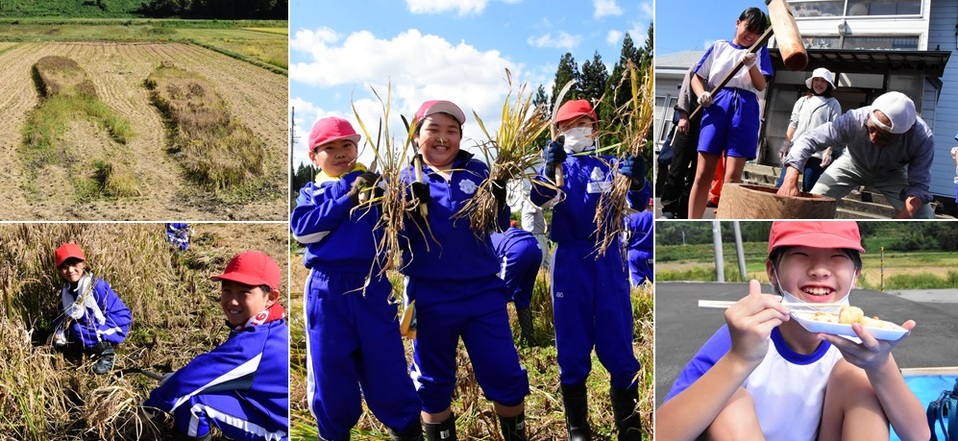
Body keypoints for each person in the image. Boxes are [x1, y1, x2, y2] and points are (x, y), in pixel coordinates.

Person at [657, 221, 929, 440]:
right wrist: (740, 359)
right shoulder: (744, 335)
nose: (820, 270)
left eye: (837, 257)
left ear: (856, 275)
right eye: (801, 255)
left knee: (857, 376)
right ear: (772, 272)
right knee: (730, 401)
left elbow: (918, 435)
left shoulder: (860, 344)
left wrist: (880, 366)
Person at [400, 100, 528, 441]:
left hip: (482, 294)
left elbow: (498, 224)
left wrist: (499, 198)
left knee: (505, 373)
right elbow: (390, 240)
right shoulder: (402, 180)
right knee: (431, 381)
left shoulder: (477, 171)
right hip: (426, 298)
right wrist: (403, 210)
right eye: (434, 130)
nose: (443, 138)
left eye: (452, 131)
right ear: (415, 136)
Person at [290, 117, 422, 440]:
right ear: (313, 156)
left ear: (358, 147)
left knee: (388, 365)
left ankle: (406, 427)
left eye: (347, 145)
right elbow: (305, 231)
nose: (340, 153)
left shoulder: (378, 187)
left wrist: (410, 206)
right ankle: (334, 431)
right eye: (329, 148)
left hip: (372, 286)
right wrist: (347, 198)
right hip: (327, 290)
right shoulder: (313, 192)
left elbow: (400, 236)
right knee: (330, 370)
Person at [530, 99, 649, 440]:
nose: (574, 131)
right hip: (570, 259)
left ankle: (629, 424)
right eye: (566, 126)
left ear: (595, 129)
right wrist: (546, 168)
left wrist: (638, 181)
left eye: (581, 124)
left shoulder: (611, 163)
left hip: (609, 257)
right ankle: (578, 426)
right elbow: (538, 198)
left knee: (617, 334)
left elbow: (638, 202)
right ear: (558, 133)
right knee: (571, 337)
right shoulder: (558, 167)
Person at [143, 251, 289, 441]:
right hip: (267, 411)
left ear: (271, 297)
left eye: (244, 292)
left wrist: (153, 405)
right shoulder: (268, 325)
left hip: (279, 431)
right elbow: (208, 372)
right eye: (227, 290)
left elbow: (189, 380)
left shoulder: (256, 344)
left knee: (193, 401)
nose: (232, 301)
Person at [778, 91, 935, 219]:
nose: (873, 138)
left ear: (904, 133)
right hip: (852, 163)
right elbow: (809, 139)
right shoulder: (854, 119)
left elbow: (919, 185)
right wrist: (790, 178)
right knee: (813, 204)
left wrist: (905, 215)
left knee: (924, 217)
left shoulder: (922, 138)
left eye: (883, 136)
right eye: (870, 129)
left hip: (892, 174)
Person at [687, 7, 773, 219]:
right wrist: (701, 94)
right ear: (737, 23)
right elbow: (696, 77)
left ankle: (721, 222)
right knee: (702, 174)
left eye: (757, 32)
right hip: (717, 104)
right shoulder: (719, 47)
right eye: (748, 28)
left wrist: (751, 64)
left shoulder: (760, 51)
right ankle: (693, 219)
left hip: (745, 108)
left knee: (732, 179)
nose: (751, 35)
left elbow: (761, 84)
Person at [51, 242, 131, 375]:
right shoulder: (68, 289)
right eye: (64, 267)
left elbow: (99, 315)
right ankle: (89, 345)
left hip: (116, 321)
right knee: (72, 329)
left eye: (74, 264)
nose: (70, 270)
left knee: (78, 329)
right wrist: (58, 329)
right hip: (94, 322)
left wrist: (81, 325)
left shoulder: (95, 286)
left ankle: (107, 354)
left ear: (83, 264)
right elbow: (63, 312)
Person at [774, 67, 843, 192]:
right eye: (816, 80)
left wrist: (828, 151)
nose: (819, 84)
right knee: (782, 183)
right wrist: (785, 145)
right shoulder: (802, 101)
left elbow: (834, 130)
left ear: (828, 84)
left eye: (823, 81)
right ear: (811, 82)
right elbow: (793, 123)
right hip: (795, 149)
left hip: (817, 153)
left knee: (809, 187)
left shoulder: (833, 104)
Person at [659, 67, 706, 219]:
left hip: (710, 125)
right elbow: (685, 90)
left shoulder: (727, 70)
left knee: (697, 174)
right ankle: (669, 208)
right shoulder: (699, 67)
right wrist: (683, 116)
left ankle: (685, 210)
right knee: (677, 167)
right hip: (690, 120)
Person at [491, 220, 544, 347]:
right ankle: (529, 337)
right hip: (535, 247)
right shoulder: (499, 228)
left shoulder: (482, 238)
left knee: (499, 297)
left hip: (514, 249)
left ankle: (501, 341)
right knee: (522, 296)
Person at [624, 207, 653, 287]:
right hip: (651, 252)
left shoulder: (629, 217)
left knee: (638, 285)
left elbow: (625, 238)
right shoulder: (652, 215)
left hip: (634, 253)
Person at [520, 198, 549, 268]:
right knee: (538, 263)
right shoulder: (530, 203)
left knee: (548, 263)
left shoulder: (531, 203)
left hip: (539, 235)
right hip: (535, 236)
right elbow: (541, 205)